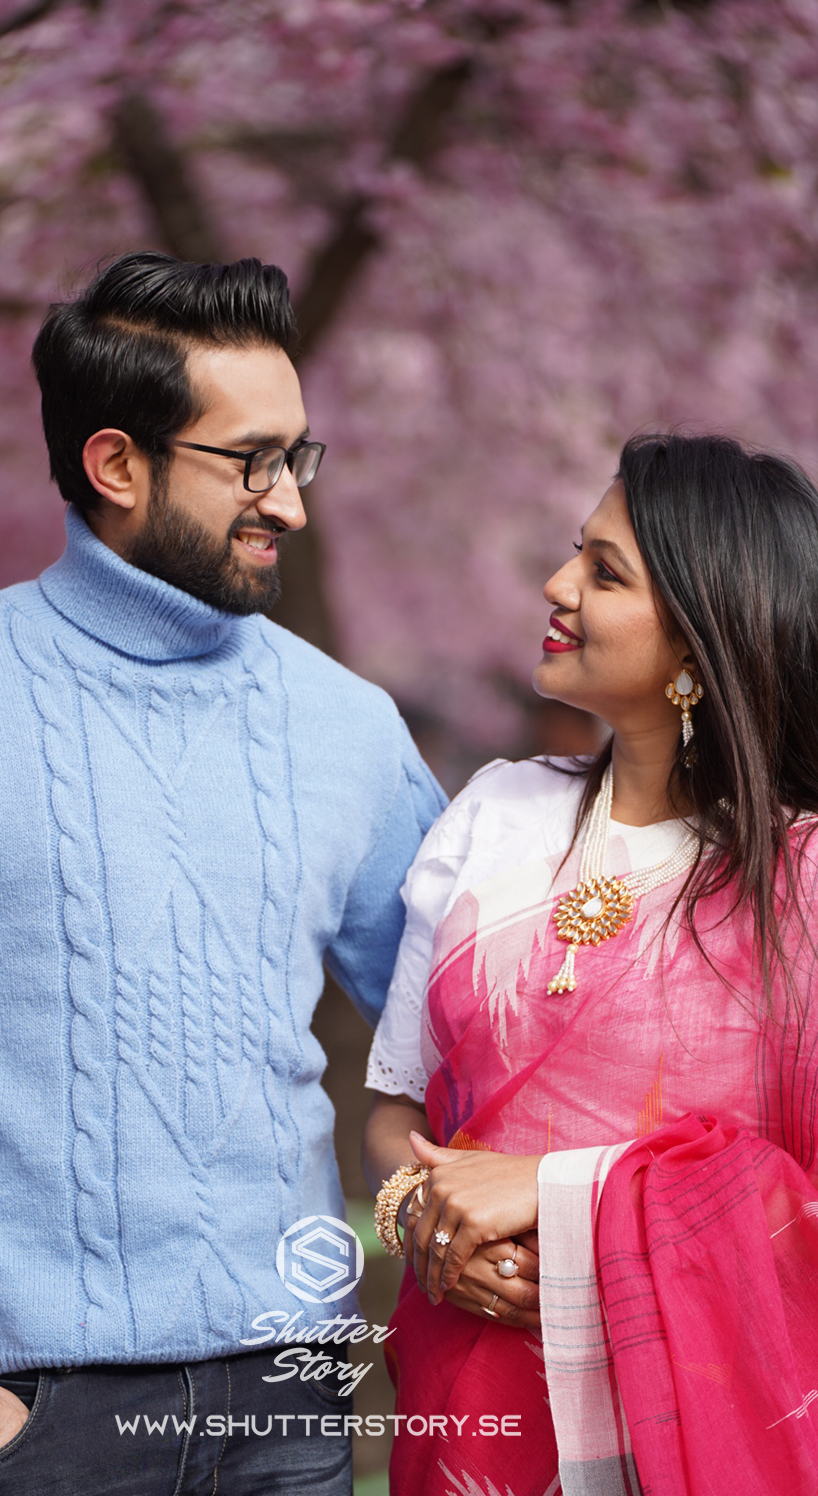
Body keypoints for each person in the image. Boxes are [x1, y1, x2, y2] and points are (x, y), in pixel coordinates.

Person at [0, 251, 446, 1495]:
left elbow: (468, 1023)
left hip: (292, 1403)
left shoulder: (350, 726)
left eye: (298, 457)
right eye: (250, 462)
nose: (292, 502)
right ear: (116, 464)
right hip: (20, 1418)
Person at [363, 432, 818, 1496]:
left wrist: (552, 1193)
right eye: (578, 552)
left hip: (696, 1422)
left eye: (605, 572)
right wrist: (422, 1222)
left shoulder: (796, 883)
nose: (558, 585)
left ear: (701, 647)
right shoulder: (495, 814)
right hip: (470, 1403)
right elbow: (394, 1108)